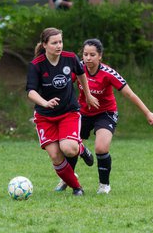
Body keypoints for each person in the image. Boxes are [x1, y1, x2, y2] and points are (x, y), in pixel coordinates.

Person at [55, 38, 153, 194]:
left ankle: (104, 185)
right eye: (85, 54)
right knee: (70, 146)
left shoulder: (108, 73)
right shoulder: (78, 69)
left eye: (92, 54)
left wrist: (147, 112)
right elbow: (62, 88)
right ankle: (67, 178)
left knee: (101, 147)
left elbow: (130, 94)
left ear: (100, 56)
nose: (88, 58)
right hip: (82, 113)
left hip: (105, 113)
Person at [26, 28, 99, 196]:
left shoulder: (70, 58)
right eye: (54, 43)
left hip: (68, 112)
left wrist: (87, 95)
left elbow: (81, 74)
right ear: (45, 45)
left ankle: (80, 149)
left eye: (60, 42)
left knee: (69, 148)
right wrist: (45, 102)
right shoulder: (36, 65)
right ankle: (77, 188)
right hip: (45, 117)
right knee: (56, 156)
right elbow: (30, 91)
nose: (58, 46)